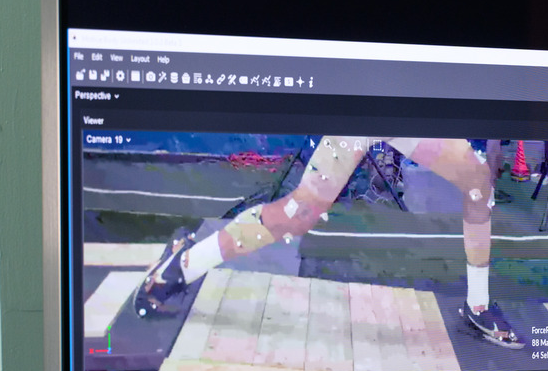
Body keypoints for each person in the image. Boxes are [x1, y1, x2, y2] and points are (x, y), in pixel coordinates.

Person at [131, 137, 526, 348]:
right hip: (360, 110)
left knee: (478, 184)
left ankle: (477, 304)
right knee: (297, 215)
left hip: (408, 107)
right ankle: (184, 264)